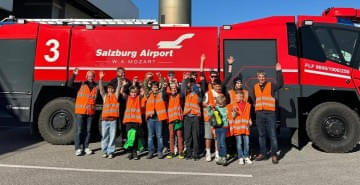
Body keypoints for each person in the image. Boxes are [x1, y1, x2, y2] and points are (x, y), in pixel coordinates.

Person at [200, 54, 234, 162]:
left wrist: (230, 64)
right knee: (208, 136)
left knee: (217, 137)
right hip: (209, 117)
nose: (214, 78)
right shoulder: (207, 88)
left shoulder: (221, 88)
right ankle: (208, 153)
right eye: (212, 76)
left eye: (215, 76)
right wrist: (202, 61)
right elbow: (202, 75)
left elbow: (228, 76)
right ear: (210, 78)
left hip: (220, 117)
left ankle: (218, 153)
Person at [252, 63, 283, 164]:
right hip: (259, 114)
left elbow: (280, 84)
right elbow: (255, 99)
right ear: (257, 78)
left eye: (263, 77)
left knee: (272, 135)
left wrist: (279, 71)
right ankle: (263, 153)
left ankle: (274, 154)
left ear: (265, 77)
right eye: (259, 77)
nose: (261, 78)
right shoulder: (255, 87)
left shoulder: (271, 85)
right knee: (261, 135)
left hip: (270, 113)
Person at [68, 68, 98, 156]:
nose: (90, 77)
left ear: (93, 77)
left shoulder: (96, 86)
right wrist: (74, 75)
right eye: (89, 76)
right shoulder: (81, 84)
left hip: (90, 112)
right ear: (86, 77)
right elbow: (70, 84)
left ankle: (86, 147)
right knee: (79, 130)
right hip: (80, 111)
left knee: (88, 131)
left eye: (92, 76)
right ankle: (78, 148)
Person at [99, 71, 122, 159]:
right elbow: (101, 89)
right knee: (105, 136)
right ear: (107, 89)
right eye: (108, 88)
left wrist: (119, 78)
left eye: (111, 88)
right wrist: (101, 79)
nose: (110, 90)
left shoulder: (115, 96)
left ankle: (111, 151)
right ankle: (105, 151)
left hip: (113, 120)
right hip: (105, 120)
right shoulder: (104, 97)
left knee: (112, 136)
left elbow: (119, 87)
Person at [143, 81, 168, 159]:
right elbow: (145, 85)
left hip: (158, 118)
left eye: (156, 87)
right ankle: (151, 151)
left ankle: (159, 152)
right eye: (154, 87)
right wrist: (147, 79)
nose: (155, 89)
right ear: (151, 88)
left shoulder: (160, 95)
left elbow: (163, 88)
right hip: (150, 119)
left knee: (159, 136)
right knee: (150, 136)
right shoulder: (148, 95)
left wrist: (161, 78)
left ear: (158, 88)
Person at [227, 90, 252, 165]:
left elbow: (248, 114)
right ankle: (240, 157)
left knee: (247, 143)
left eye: (237, 97)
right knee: (239, 143)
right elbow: (232, 117)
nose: (236, 98)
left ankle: (246, 157)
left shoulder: (247, 105)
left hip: (245, 127)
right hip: (237, 128)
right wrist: (233, 112)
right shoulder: (232, 105)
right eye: (235, 97)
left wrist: (250, 120)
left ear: (242, 97)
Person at [181, 73, 202, 161]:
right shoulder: (186, 94)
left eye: (192, 84)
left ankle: (196, 154)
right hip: (187, 118)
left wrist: (196, 87)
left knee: (195, 136)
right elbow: (183, 88)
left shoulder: (198, 94)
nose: (191, 85)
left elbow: (200, 98)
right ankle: (189, 153)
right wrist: (185, 79)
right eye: (190, 84)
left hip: (195, 117)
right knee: (187, 136)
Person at [110, 67, 132, 147]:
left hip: (124, 105)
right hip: (115, 106)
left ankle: (124, 141)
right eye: (121, 72)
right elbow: (111, 93)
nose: (123, 74)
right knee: (114, 123)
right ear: (117, 73)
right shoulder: (113, 82)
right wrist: (121, 89)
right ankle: (115, 141)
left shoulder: (128, 82)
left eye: (123, 73)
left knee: (124, 123)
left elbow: (130, 94)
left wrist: (125, 94)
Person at [123, 86, 144, 160]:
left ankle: (135, 152)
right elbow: (122, 93)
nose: (133, 94)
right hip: (128, 121)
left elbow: (142, 92)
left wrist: (142, 85)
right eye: (132, 92)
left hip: (136, 121)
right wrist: (123, 85)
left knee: (135, 137)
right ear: (130, 93)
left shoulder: (138, 98)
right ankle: (130, 152)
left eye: (135, 92)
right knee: (129, 137)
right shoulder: (127, 98)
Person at [207, 95, 229, 166]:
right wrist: (209, 108)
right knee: (219, 142)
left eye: (221, 103)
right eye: (219, 103)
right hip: (217, 127)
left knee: (222, 142)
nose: (220, 105)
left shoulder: (226, 108)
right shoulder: (216, 108)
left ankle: (224, 157)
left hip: (224, 126)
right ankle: (220, 156)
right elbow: (210, 114)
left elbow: (228, 116)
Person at [166, 82, 184, 159]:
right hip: (171, 119)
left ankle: (180, 152)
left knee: (179, 136)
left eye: (175, 88)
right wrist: (165, 86)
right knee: (171, 136)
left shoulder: (179, 96)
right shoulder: (168, 96)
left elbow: (183, 94)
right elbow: (163, 94)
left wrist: (178, 87)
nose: (173, 90)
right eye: (172, 88)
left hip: (178, 119)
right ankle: (172, 152)